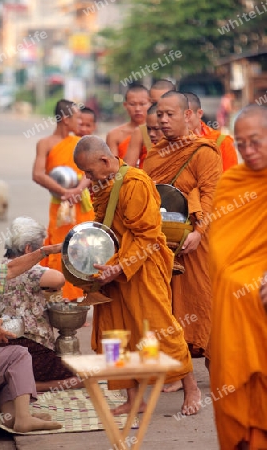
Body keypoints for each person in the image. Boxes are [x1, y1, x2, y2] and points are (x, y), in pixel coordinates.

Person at [73, 135, 201, 417]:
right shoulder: (103, 184)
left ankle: (191, 386)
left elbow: (145, 235)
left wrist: (120, 267)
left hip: (141, 267)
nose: (87, 177)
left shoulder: (135, 183)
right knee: (113, 336)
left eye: (89, 171)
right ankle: (134, 398)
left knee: (158, 329)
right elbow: (105, 227)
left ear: (105, 160)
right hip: (111, 269)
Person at [143, 91, 222, 390]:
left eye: (169, 114)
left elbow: (210, 195)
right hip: (162, 244)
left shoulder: (205, 152)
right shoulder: (155, 154)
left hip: (197, 242)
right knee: (168, 306)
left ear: (188, 115)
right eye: (159, 115)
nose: (163, 120)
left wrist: (199, 232)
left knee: (204, 303)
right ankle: (177, 368)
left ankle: (218, 368)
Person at [209, 104, 267, 450]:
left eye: (256, 142)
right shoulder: (233, 182)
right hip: (237, 309)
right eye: (241, 144)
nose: (248, 151)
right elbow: (222, 251)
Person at [0, 225, 62, 432]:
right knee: (18, 355)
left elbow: (10, 269)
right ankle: (24, 418)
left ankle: (14, 416)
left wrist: (44, 252)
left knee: (7, 364)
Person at [0, 217, 83, 392]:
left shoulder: (2, 267)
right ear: (28, 248)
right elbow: (58, 279)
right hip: (31, 349)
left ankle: (19, 383)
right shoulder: (30, 270)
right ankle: (33, 386)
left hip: (4, 346)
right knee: (80, 377)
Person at [32, 99, 94, 299]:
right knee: (60, 248)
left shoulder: (80, 142)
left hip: (81, 204)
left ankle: (80, 296)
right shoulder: (45, 143)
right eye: (77, 117)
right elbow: (38, 174)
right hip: (60, 205)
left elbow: (90, 171)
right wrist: (63, 191)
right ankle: (62, 297)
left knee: (84, 247)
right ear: (66, 119)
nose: (80, 122)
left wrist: (77, 189)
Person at [124, 79, 175, 168]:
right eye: (154, 103)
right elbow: (127, 170)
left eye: (165, 103)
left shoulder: (188, 129)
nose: (158, 108)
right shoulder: (141, 132)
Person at [184, 92, 238, 171]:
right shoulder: (169, 144)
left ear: (199, 114)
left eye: (187, 114)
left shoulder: (222, 142)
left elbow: (230, 180)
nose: (183, 119)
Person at [106, 84, 151, 159]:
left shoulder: (158, 132)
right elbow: (114, 166)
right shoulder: (114, 135)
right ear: (125, 105)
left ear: (150, 104)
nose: (137, 109)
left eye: (142, 104)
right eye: (132, 104)